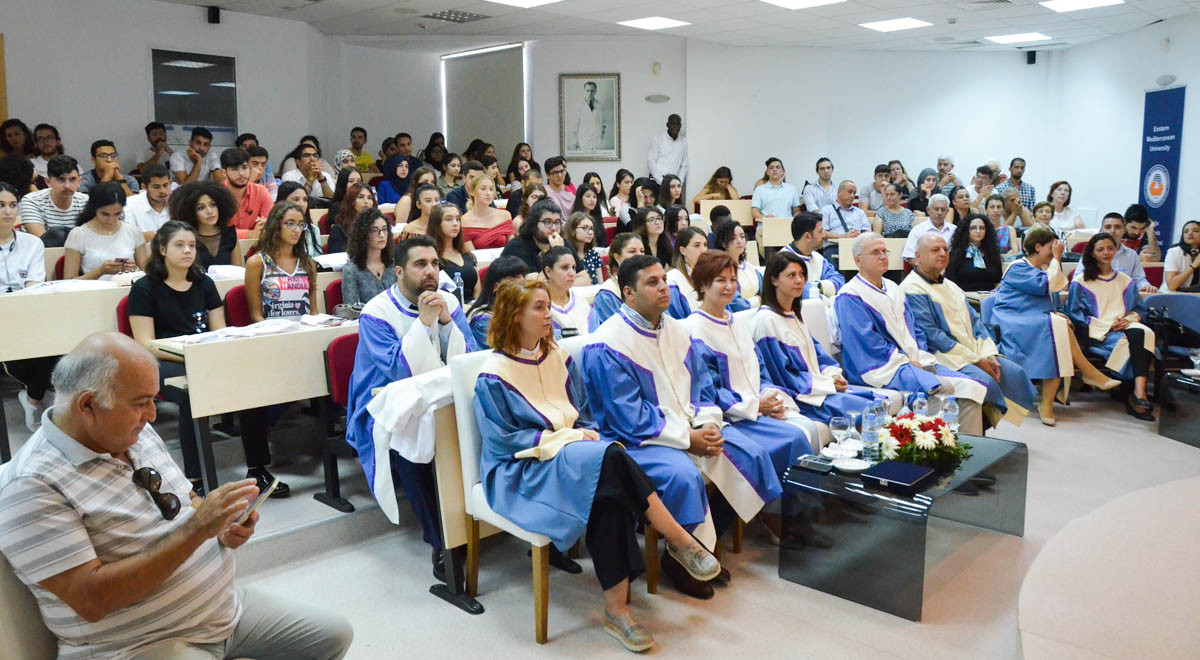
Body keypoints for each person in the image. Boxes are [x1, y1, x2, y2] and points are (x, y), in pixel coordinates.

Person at [0, 333, 353, 659]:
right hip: (137, 643)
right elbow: (92, 599)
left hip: (221, 609)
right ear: (88, 405)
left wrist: (222, 526)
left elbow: (187, 504)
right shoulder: (31, 484)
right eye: (141, 403)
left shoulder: (133, 432)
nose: (152, 415)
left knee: (334, 635)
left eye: (152, 401)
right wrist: (199, 528)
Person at [475, 279, 719, 652]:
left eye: (547, 306)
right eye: (539, 308)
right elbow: (503, 442)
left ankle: (617, 612)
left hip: (573, 457)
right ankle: (678, 538)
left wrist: (580, 435)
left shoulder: (556, 356)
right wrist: (571, 439)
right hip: (521, 471)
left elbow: (583, 415)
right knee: (609, 458)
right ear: (514, 316)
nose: (549, 314)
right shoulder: (493, 373)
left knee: (610, 490)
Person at [582, 255, 782, 597]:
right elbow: (625, 416)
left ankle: (698, 550)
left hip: (687, 425)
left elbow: (702, 387)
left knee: (750, 454)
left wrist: (707, 424)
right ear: (629, 293)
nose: (664, 288)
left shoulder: (676, 330)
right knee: (684, 476)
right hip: (637, 441)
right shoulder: (608, 344)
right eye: (652, 283)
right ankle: (680, 562)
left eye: (664, 279)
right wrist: (687, 439)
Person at [347, 233, 478, 576]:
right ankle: (441, 542)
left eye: (435, 263)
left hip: (435, 399)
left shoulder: (448, 301)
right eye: (420, 265)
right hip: (380, 406)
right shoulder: (376, 313)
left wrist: (448, 321)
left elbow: (472, 358)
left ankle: (476, 519)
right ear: (399, 272)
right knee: (412, 445)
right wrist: (423, 321)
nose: (431, 272)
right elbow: (397, 370)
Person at [127, 221, 274, 495]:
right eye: (179, 245)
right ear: (161, 249)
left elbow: (219, 329)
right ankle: (196, 478)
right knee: (192, 394)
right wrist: (186, 350)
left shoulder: (203, 282)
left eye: (192, 245)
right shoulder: (145, 288)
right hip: (166, 360)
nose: (187, 251)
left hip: (206, 354)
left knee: (249, 384)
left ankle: (258, 469)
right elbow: (145, 343)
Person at [834, 233, 987, 434]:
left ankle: (968, 451)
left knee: (972, 387)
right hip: (880, 367)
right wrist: (905, 361)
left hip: (912, 360)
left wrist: (919, 355)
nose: (882, 256)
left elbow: (915, 330)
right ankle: (930, 448)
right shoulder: (850, 295)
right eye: (875, 252)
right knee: (937, 388)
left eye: (884, 251)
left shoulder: (893, 288)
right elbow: (865, 344)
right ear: (858, 261)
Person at [684, 251, 817, 463]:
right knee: (795, 437)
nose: (729, 286)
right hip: (732, 416)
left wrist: (768, 397)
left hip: (756, 406)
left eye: (733, 280)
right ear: (702, 285)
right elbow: (707, 389)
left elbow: (759, 369)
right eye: (720, 280)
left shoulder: (737, 321)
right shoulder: (693, 330)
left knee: (806, 429)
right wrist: (754, 405)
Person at [901, 234, 1035, 428]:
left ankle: (983, 428)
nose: (942, 253)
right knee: (984, 381)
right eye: (934, 250)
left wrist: (989, 354)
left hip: (972, 352)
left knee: (1014, 373)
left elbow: (977, 323)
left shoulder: (952, 286)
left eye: (945, 249)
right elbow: (933, 335)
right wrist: (976, 360)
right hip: (943, 356)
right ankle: (974, 434)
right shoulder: (911, 288)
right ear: (918, 256)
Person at [992, 224, 1120, 425]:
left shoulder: (1043, 270)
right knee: (1056, 327)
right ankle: (1084, 375)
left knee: (1060, 326)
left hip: (1037, 319)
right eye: (1051, 247)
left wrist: (1060, 313)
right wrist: (1057, 259)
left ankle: (1052, 399)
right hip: (1014, 320)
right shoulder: (1017, 267)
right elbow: (1047, 285)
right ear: (1038, 247)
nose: (1054, 252)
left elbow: (1053, 298)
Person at [753, 251, 884, 424]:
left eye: (801, 274)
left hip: (818, 388)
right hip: (803, 397)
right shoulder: (766, 321)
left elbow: (818, 355)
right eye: (791, 275)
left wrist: (833, 375)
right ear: (773, 280)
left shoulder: (794, 315)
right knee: (869, 409)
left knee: (878, 402)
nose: (799, 281)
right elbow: (782, 376)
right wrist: (827, 385)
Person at [1067, 233, 1157, 421]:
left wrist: (1128, 320)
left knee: (1144, 332)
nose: (1106, 253)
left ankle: (1137, 393)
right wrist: (1107, 326)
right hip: (1099, 333)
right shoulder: (1081, 282)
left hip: (1125, 327)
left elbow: (1139, 309)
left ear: (1116, 250)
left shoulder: (1125, 280)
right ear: (1092, 253)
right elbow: (1075, 315)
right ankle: (1134, 396)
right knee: (1136, 344)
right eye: (1100, 249)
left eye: (1110, 248)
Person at [0, 182, 53, 432]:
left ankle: (33, 398)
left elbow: (34, 286)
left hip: (29, 312)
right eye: (0, 206)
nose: (7, 212)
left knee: (57, 346)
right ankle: (37, 395)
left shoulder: (32, 243)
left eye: (12, 205)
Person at [245, 201, 318, 322]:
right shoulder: (257, 263)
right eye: (290, 224)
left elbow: (313, 311)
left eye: (301, 225)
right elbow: (256, 316)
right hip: (273, 335)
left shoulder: (308, 263)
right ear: (276, 226)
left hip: (304, 333)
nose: (297, 230)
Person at [63, 183, 147, 281]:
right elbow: (69, 281)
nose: (111, 220)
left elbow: (147, 272)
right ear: (94, 209)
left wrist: (134, 270)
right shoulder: (78, 234)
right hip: (93, 292)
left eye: (117, 213)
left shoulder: (133, 231)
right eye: (105, 214)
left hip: (128, 289)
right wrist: (100, 271)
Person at [170, 181, 244, 269]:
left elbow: (238, 272)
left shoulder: (230, 234)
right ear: (190, 212)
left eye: (213, 205)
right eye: (201, 208)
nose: (209, 211)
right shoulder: (185, 237)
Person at [1075, 213, 1156, 292]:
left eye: (1117, 227)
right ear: (1101, 230)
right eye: (1108, 227)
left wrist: (1146, 286)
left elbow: (1139, 280)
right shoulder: (1092, 253)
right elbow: (1078, 279)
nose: (1113, 231)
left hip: (1123, 299)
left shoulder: (1131, 255)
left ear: (1124, 230)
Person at [18, 154, 87, 241]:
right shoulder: (31, 201)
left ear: (79, 181)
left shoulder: (86, 201)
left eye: (72, 179)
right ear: (48, 182)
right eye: (61, 179)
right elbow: (41, 243)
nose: (67, 186)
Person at [466, 256, 531, 348]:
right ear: (496, 286)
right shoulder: (483, 320)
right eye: (514, 277)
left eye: (523, 276)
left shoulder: (522, 309)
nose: (522, 281)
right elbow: (505, 351)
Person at [588, 232, 645, 331]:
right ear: (617, 257)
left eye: (642, 251)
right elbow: (613, 333)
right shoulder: (606, 295)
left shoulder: (650, 286)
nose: (639, 256)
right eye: (632, 251)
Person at [780, 212, 844, 297]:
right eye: (820, 231)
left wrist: (819, 286)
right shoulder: (782, 260)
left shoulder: (818, 258)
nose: (824, 235)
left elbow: (839, 280)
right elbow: (793, 292)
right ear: (808, 236)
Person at [342, 209, 397, 307]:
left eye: (384, 229)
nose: (382, 235)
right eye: (374, 230)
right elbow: (352, 308)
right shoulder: (351, 270)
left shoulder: (395, 264)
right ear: (363, 234)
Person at [427, 202, 478, 301]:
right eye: (448, 219)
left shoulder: (467, 255)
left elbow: (478, 291)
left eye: (458, 219)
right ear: (436, 224)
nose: (455, 223)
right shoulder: (431, 258)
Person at [220, 148, 274, 238]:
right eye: (234, 169)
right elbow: (216, 231)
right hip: (224, 249)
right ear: (224, 173)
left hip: (255, 248)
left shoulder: (261, 191)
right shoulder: (216, 194)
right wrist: (249, 234)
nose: (241, 174)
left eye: (245, 168)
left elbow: (270, 226)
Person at [500, 198, 563, 272]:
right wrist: (557, 251)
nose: (554, 228)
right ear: (534, 224)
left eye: (557, 222)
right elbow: (534, 282)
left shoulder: (561, 241)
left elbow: (578, 273)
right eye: (547, 222)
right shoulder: (517, 247)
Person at [946, 213, 1003, 292]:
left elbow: (997, 280)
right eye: (973, 228)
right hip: (965, 297)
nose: (978, 231)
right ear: (966, 230)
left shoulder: (992, 252)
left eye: (982, 228)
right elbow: (950, 282)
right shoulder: (956, 253)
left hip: (989, 297)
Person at [542, 246, 592, 335]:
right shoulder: (541, 307)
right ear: (548, 271)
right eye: (565, 267)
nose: (572, 273)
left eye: (573, 267)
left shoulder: (580, 301)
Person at [712, 220, 761, 311]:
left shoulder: (751, 267)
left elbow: (766, 295)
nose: (739, 241)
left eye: (742, 237)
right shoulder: (720, 269)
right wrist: (758, 300)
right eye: (733, 238)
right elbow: (737, 305)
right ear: (723, 243)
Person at [665, 226, 708, 319]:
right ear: (683, 250)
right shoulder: (672, 279)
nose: (703, 250)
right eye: (697, 245)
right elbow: (675, 320)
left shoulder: (709, 276)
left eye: (705, 245)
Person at [124, 164, 172, 241]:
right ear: (144, 187)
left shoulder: (179, 201)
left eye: (166, 185)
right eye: (156, 187)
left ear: (170, 182)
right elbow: (130, 236)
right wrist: (172, 235)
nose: (162, 191)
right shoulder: (130, 204)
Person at [902, 193, 955, 262]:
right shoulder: (918, 230)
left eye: (943, 210)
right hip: (925, 270)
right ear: (928, 210)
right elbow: (910, 256)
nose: (939, 213)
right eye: (936, 209)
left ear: (947, 211)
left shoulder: (954, 230)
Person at [276, 182, 322, 259]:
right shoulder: (273, 229)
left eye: (305, 200)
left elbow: (318, 260)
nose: (302, 204)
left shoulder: (314, 230)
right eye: (296, 199)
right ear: (283, 202)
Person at [327, 182, 376, 254]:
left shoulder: (378, 226)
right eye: (360, 197)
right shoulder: (339, 230)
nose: (366, 201)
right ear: (351, 201)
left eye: (369, 198)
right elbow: (336, 259)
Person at [820, 180, 871, 246]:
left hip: (857, 247)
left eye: (854, 193)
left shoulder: (860, 212)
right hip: (835, 246)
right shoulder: (826, 210)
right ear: (839, 192)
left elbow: (868, 233)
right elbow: (823, 233)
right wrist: (844, 236)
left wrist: (859, 236)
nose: (853, 196)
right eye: (850, 192)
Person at [647, 113, 688, 185]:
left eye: (678, 124)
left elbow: (684, 165)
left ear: (680, 126)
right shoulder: (657, 139)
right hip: (657, 180)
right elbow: (651, 161)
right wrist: (661, 181)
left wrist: (679, 182)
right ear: (667, 125)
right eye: (673, 124)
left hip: (674, 182)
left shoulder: (684, 142)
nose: (675, 126)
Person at [565, 211, 604, 285]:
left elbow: (600, 284)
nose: (590, 232)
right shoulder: (565, 255)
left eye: (591, 229)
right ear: (572, 230)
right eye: (584, 228)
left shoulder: (593, 254)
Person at [572, 81, 609, 151]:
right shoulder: (579, 106)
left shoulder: (600, 105)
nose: (590, 93)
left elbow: (604, 123)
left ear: (595, 91)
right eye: (587, 91)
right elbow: (574, 126)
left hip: (597, 141)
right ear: (584, 91)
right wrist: (575, 142)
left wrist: (602, 136)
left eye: (592, 91)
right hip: (583, 141)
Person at [1164, 220, 1200, 291]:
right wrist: (1194, 265)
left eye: (1195, 231)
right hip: (1172, 296)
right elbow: (1172, 286)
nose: (1190, 233)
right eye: (1186, 231)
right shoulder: (1174, 252)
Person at [570, 182, 607, 247]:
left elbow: (602, 241)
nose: (592, 200)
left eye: (594, 197)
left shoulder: (597, 218)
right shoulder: (574, 219)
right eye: (588, 196)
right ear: (580, 198)